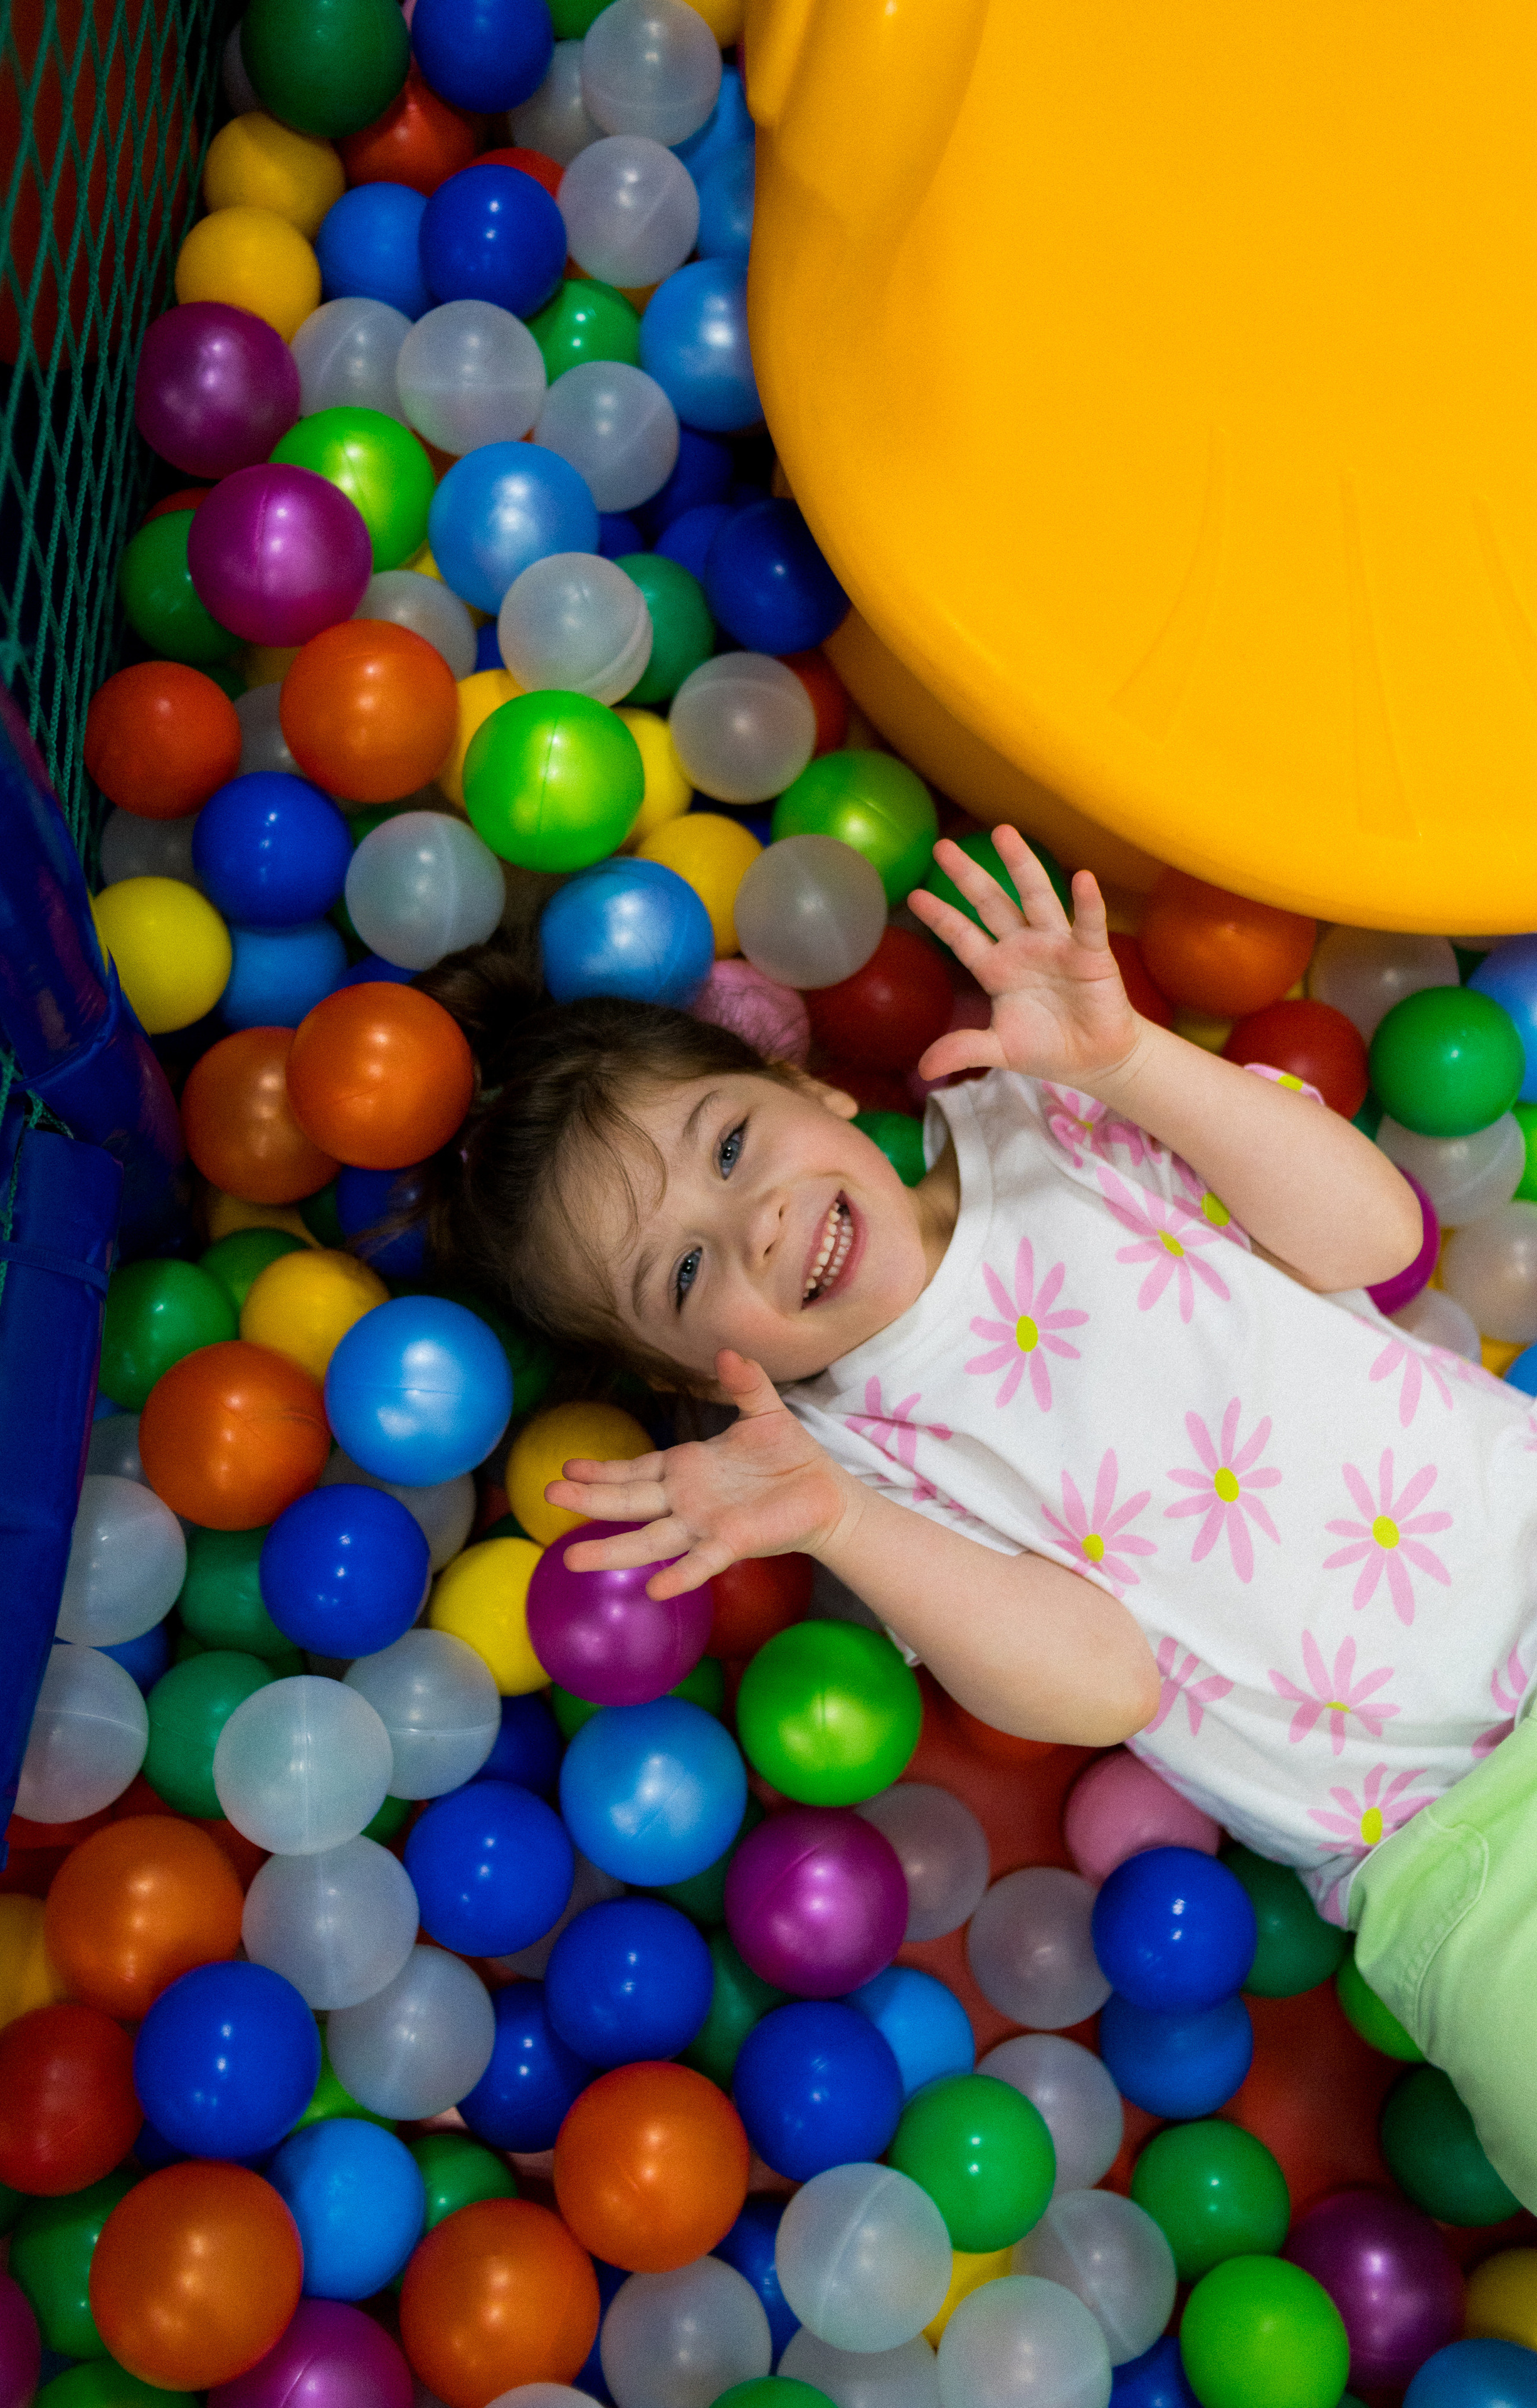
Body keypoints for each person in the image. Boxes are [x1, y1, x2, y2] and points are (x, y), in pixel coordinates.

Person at [419, 827, 1537, 2207]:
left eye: (732, 1144)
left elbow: (1374, 1238)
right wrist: (835, 1521)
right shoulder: (852, 1465)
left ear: (810, 1085)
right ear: (689, 1374)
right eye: (687, 1271)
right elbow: (1103, 1683)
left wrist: (1131, 1061)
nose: (753, 1223)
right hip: (1445, 1853)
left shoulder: (1050, 1119)